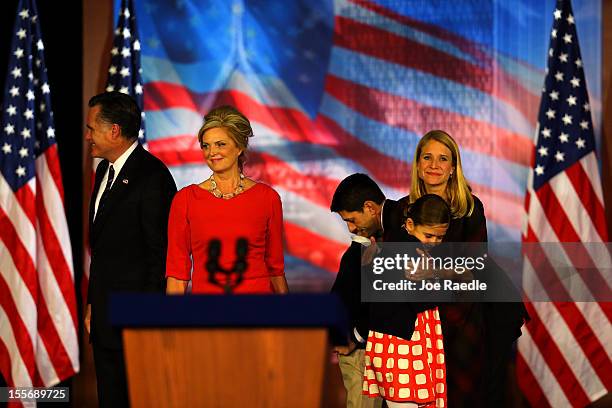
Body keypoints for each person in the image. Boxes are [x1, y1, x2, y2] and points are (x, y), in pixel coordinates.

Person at [408, 130, 526, 406]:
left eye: (442, 159)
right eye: (427, 157)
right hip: (418, 319)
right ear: (417, 164)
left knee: (463, 394)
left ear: (453, 168)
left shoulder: (471, 208)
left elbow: (473, 267)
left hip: (464, 313)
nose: (434, 165)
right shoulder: (404, 210)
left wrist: (433, 271)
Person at [84, 91, 177, 407]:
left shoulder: (153, 177)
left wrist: (148, 317)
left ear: (113, 131)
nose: (87, 137)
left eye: (91, 128)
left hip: (136, 322)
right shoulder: (103, 171)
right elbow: (104, 249)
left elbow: (160, 254)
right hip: (105, 315)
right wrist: (93, 303)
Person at [165, 105, 288, 294]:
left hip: (259, 310)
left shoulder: (267, 198)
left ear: (239, 147)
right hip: (208, 312)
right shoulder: (185, 200)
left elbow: (275, 269)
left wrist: (287, 319)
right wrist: (171, 321)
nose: (211, 152)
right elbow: (177, 273)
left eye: (220, 144)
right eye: (206, 145)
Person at [363, 194, 450, 408]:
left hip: (401, 341)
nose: (435, 243)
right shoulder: (409, 250)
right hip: (401, 345)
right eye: (429, 235)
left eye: (440, 237)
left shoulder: (400, 246)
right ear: (410, 224)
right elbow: (424, 299)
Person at [330, 173, 405, 408]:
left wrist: (356, 335)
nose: (351, 228)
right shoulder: (365, 242)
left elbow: (394, 296)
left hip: (378, 346)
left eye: (352, 220)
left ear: (370, 207)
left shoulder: (401, 228)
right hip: (363, 347)